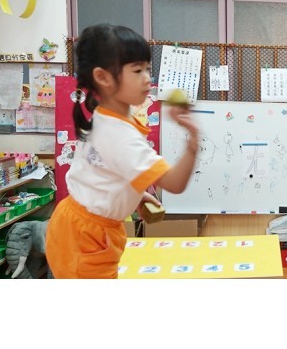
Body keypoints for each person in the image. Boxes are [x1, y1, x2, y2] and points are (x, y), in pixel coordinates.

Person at [45, 23, 199, 278]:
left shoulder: (105, 117)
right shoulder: (121, 135)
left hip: (73, 225)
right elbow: (175, 183)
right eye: (137, 70)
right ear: (103, 77)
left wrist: (136, 195)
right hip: (87, 238)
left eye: (147, 68)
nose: (147, 77)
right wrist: (193, 142)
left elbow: (102, 171)